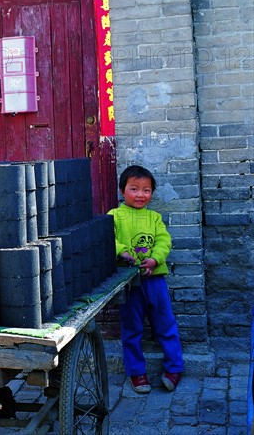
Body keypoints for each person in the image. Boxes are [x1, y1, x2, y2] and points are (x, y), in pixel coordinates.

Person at [108, 165, 184, 393]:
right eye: (134, 189)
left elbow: (164, 242)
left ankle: (174, 368)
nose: (141, 195)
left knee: (165, 324)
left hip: (155, 281)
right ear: (123, 191)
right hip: (129, 282)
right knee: (131, 329)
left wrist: (154, 260)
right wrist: (122, 252)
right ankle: (136, 372)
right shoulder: (115, 216)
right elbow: (107, 239)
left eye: (146, 190)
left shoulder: (155, 218)